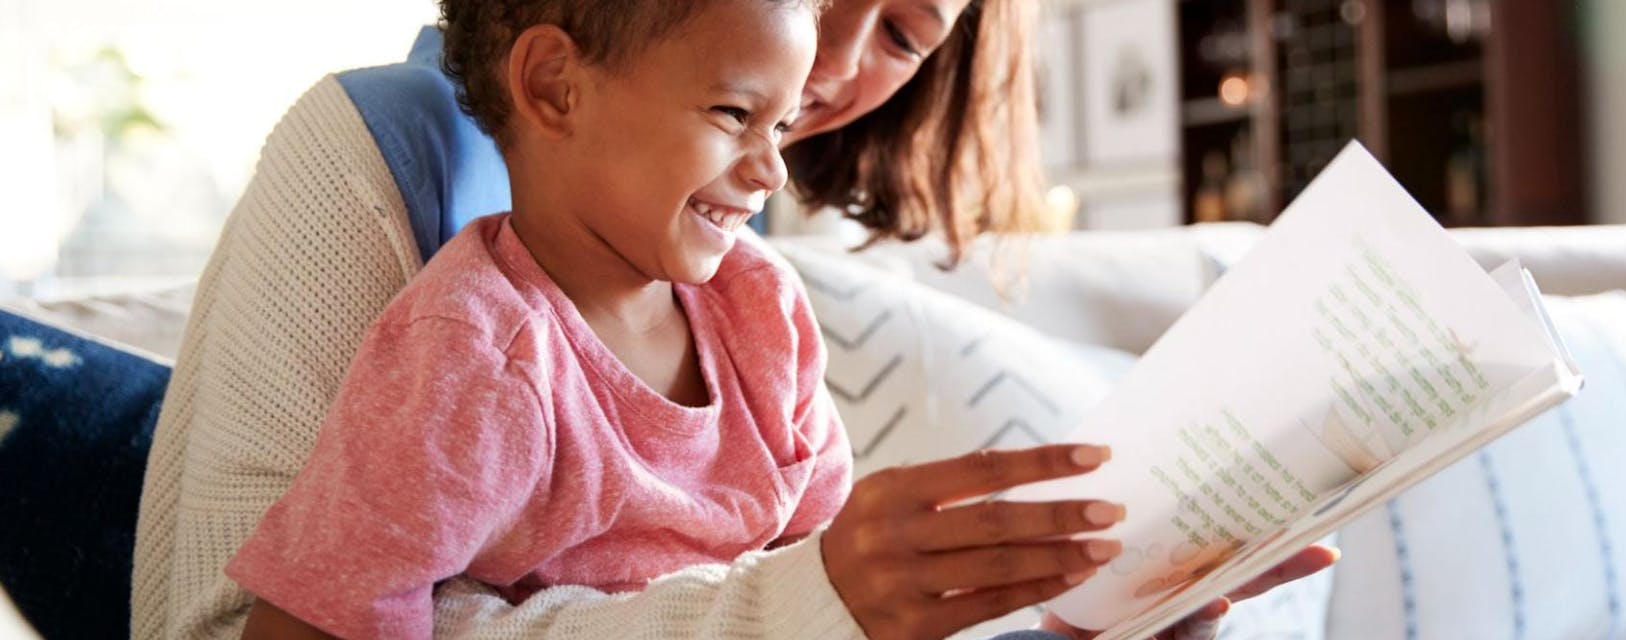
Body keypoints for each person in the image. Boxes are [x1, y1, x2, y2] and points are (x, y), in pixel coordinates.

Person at [131, 0, 1337, 638]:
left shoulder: (748, 296)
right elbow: (290, 624)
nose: (826, 75)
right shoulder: (472, 342)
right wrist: (813, 605)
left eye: (908, 35)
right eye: (734, 111)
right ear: (553, 83)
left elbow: (815, 581)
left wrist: (1075, 615)